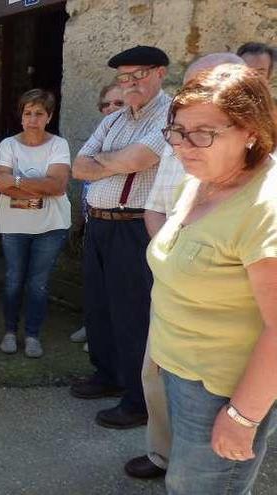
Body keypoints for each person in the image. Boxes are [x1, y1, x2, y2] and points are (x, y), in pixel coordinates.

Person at [148, 63, 277, 494]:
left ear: (251, 131)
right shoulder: (201, 180)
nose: (184, 146)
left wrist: (243, 417)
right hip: (181, 370)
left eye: (203, 133)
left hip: (222, 388)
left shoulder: (266, 206)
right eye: (178, 131)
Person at [125, 52, 248, 481]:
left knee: (206, 475)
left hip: (217, 364)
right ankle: (163, 454)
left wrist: (244, 417)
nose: (184, 139)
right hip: (175, 305)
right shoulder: (189, 156)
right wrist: (174, 259)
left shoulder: (259, 193)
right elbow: (157, 208)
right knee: (155, 380)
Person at [70, 45, 171, 430]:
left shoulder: (167, 113)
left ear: (160, 73)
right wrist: (113, 160)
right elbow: (80, 166)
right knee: (99, 308)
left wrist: (107, 161)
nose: (129, 85)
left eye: (138, 76)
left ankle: (137, 399)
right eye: (124, 78)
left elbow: (138, 161)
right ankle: (107, 374)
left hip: (134, 226)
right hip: (99, 223)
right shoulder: (115, 120)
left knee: (132, 314)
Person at [0, 89, 71, 358]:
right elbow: (0, 186)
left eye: (39, 113)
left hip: (51, 225)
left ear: (48, 117)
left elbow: (59, 186)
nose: (33, 119)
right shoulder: (8, 146)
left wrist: (16, 182)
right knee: (14, 281)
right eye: (28, 113)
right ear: (21, 116)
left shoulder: (58, 145)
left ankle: (33, 335)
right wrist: (39, 187)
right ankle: (10, 332)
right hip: (14, 226)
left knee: (38, 284)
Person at [71, 83, 125, 350]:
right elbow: (81, 171)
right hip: (93, 220)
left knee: (116, 288)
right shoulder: (100, 134)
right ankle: (92, 327)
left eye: (118, 104)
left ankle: (106, 337)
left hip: (121, 224)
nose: (111, 109)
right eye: (107, 104)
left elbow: (93, 168)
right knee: (94, 286)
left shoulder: (130, 138)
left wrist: (98, 164)